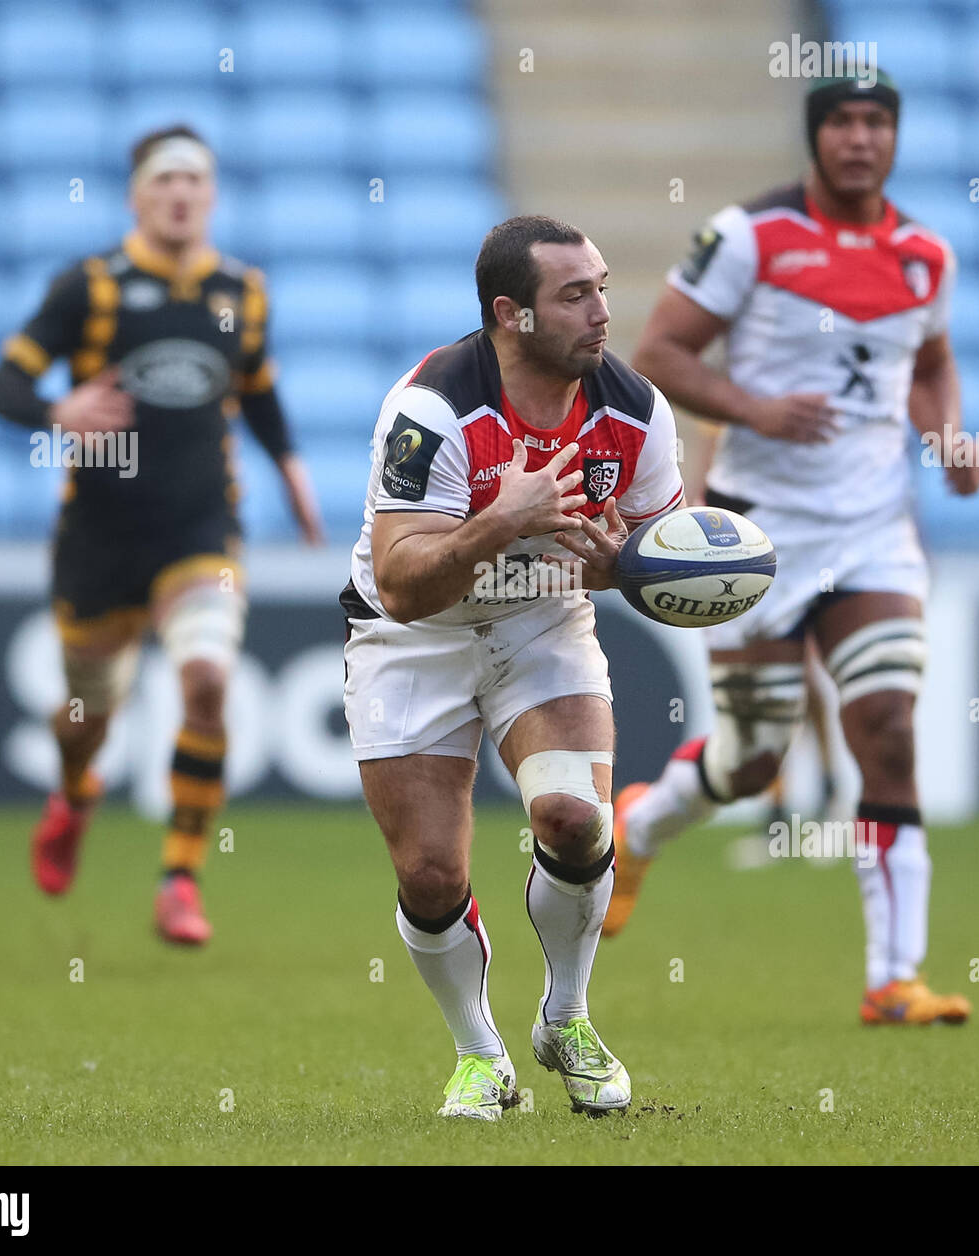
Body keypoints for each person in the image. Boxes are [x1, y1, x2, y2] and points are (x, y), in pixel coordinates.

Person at [604, 73, 979, 1026]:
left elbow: (929, 364)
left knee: (889, 731)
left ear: (894, 138)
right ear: (816, 139)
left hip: (872, 533)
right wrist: (756, 408)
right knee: (752, 760)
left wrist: (947, 437)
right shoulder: (749, 236)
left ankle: (894, 981)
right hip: (755, 531)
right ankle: (641, 827)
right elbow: (662, 351)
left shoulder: (924, 256)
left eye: (877, 123)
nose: (861, 139)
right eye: (844, 123)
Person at [342, 215, 684, 1118]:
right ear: (512, 314)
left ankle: (565, 1018)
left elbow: (647, 559)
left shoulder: (635, 411)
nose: (602, 312)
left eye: (602, 286)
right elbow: (403, 585)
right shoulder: (433, 408)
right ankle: (479, 1053)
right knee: (429, 876)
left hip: (540, 625)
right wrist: (506, 517)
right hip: (412, 638)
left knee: (574, 819)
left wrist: (636, 570)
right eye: (574, 295)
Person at [0, 125, 322, 945]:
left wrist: (291, 471)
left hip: (200, 529)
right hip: (99, 543)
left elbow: (260, 389)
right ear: (138, 196)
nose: (180, 194)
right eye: (164, 181)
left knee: (207, 680)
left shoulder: (242, 291)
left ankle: (179, 877)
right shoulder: (92, 288)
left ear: (211, 196)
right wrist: (55, 410)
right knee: (83, 719)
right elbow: (6, 382)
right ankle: (74, 793)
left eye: (194, 182)